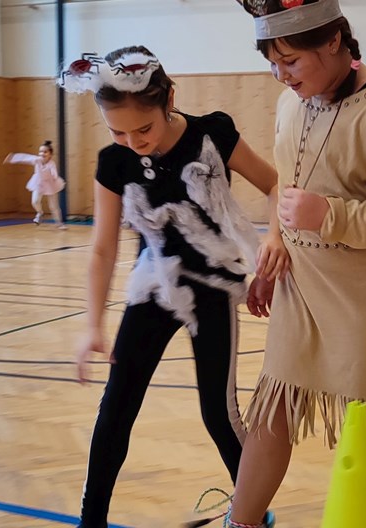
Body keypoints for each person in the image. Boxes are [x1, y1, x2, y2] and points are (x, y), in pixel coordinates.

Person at [59, 45, 289, 528]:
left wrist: (273, 239)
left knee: (218, 413)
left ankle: (251, 514)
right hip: (153, 288)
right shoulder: (115, 162)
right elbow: (102, 249)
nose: (132, 141)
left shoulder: (213, 133)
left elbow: (275, 185)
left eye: (143, 129)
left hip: (213, 287)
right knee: (116, 406)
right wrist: (92, 325)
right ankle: (90, 522)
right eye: (118, 132)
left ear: (169, 100)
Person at [227, 2, 366, 527]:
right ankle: (240, 522)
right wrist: (275, 243)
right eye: (272, 64)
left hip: (365, 300)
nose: (281, 76)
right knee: (272, 408)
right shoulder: (290, 103)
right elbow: (286, 182)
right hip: (299, 286)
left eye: (291, 61)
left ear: (334, 41)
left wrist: (331, 215)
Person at [4, 140, 67, 228]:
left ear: (50, 154)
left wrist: (54, 176)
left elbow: (54, 172)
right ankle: (40, 213)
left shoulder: (52, 163)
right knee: (35, 201)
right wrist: (12, 158)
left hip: (50, 183)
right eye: (40, 151)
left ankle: (59, 223)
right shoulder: (36, 160)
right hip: (38, 182)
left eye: (45, 152)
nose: (42, 154)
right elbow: (25, 158)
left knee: (53, 206)